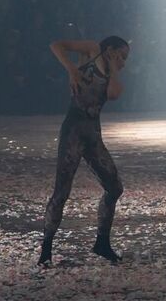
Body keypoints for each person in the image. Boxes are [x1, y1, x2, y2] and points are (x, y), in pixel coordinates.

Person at [40, 36, 130, 267]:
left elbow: (114, 93)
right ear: (110, 49)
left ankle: (102, 242)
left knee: (114, 188)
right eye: (121, 56)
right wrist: (71, 69)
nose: (123, 62)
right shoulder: (92, 50)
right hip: (73, 130)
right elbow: (56, 44)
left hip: (92, 133)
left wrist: (113, 67)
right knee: (61, 192)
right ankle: (46, 250)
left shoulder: (111, 71)